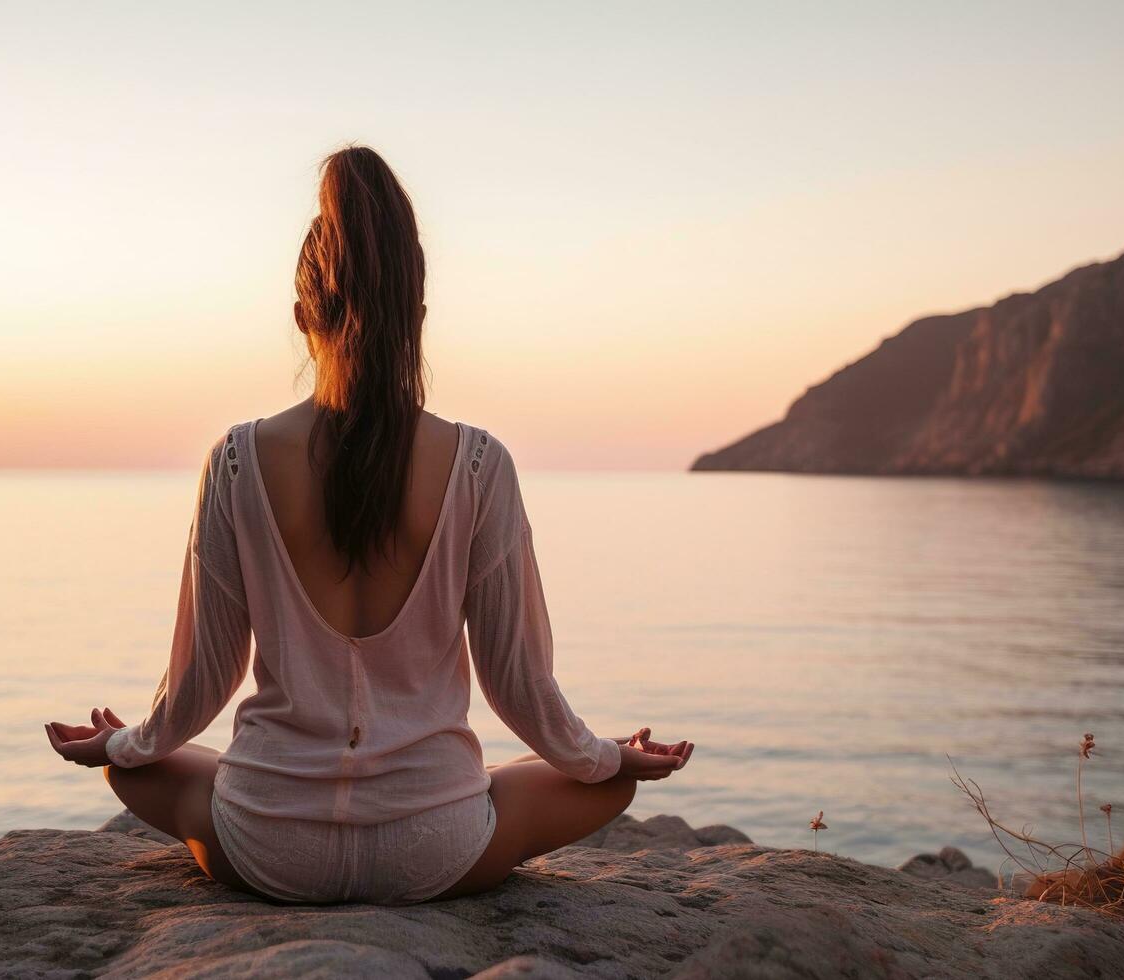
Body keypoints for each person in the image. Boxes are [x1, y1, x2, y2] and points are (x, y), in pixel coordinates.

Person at [44, 145, 692, 905]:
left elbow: (202, 680)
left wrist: (125, 745)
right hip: (434, 849)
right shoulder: (479, 464)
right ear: (415, 316)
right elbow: (517, 684)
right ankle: (483, 788)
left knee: (140, 770)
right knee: (601, 787)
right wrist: (601, 760)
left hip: (267, 845)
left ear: (299, 317)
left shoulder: (235, 460)